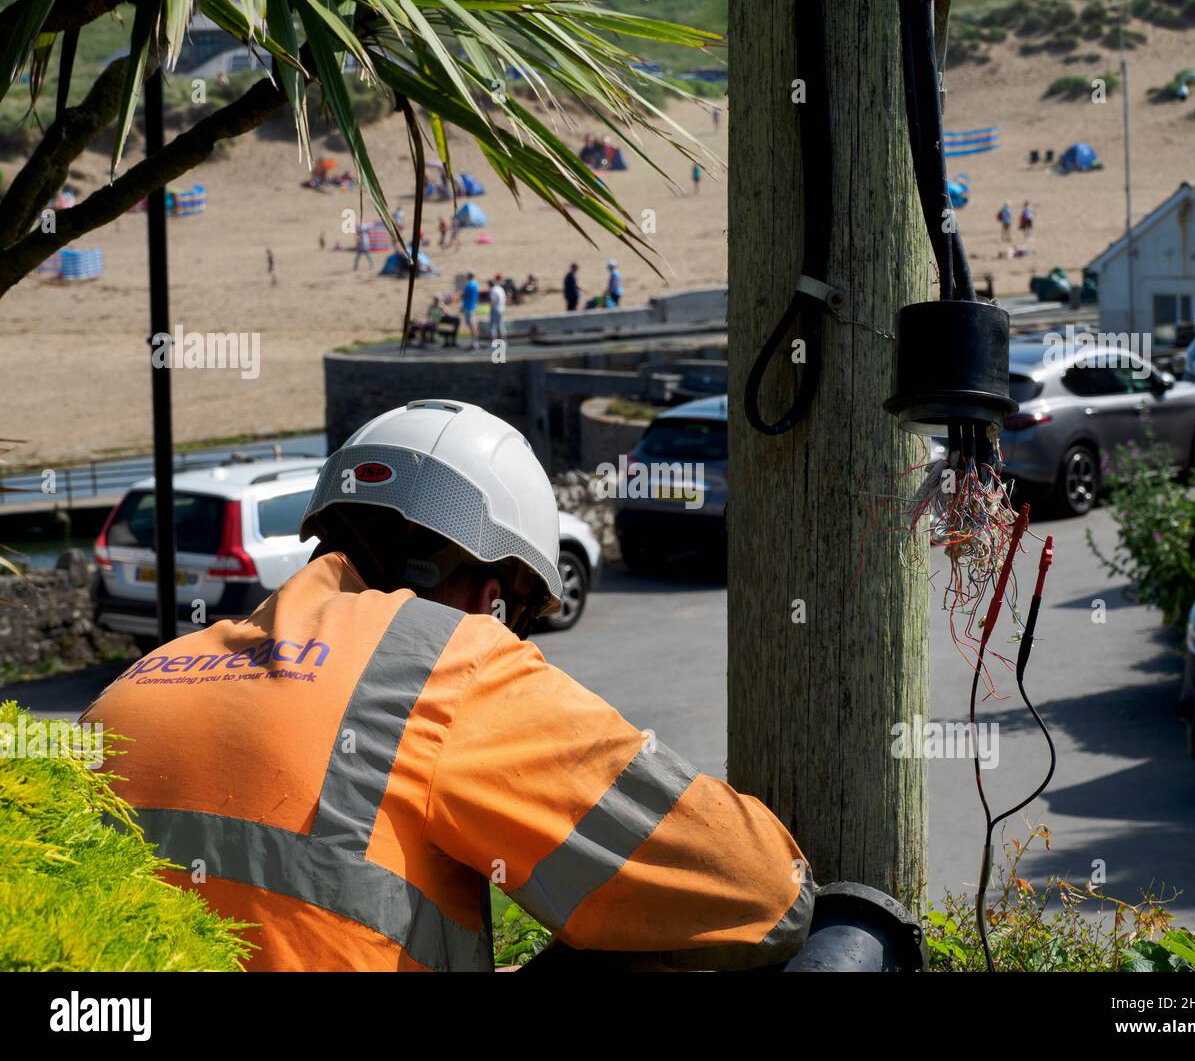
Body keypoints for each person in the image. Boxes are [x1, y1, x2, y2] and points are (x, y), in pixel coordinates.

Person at [82, 401, 814, 971]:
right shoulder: (449, 661)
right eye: (518, 618)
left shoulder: (140, 680)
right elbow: (764, 893)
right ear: (492, 592)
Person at [461, 272, 480, 349]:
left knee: (472, 325)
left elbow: (464, 295)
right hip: (473, 305)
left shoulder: (469, 285)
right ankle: (474, 342)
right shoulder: (475, 284)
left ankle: (474, 343)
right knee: (473, 325)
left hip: (469, 306)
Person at [488, 274, 507, 343]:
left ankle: (494, 343)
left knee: (493, 326)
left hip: (496, 309)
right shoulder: (501, 289)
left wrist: (490, 308)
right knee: (501, 325)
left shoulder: (494, 289)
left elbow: (493, 300)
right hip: (501, 309)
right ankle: (504, 342)